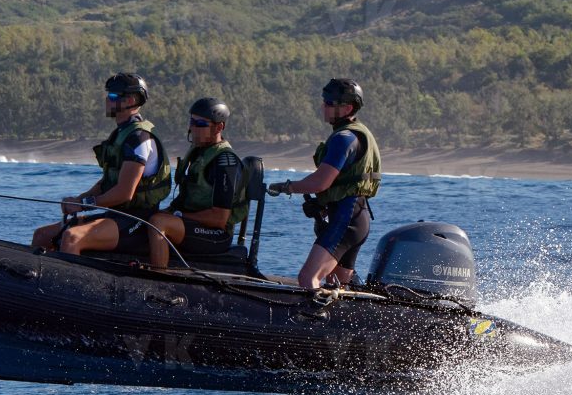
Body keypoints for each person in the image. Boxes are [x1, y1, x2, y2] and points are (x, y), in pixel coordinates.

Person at [31, 73, 171, 256]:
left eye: (112, 96)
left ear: (129, 100)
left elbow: (124, 193)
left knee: (72, 237)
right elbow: (106, 182)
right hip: (115, 216)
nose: (107, 100)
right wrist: (78, 199)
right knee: (42, 235)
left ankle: (69, 282)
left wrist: (84, 205)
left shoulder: (139, 138)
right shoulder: (120, 134)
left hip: (136, 220)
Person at [267, 78, 381, 289]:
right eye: (324, 101)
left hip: (346, 219)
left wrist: (286, 187)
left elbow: (320, 182)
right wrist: (322, 206)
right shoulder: (357, 133)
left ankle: (310, 322)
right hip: (357, 218)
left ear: (347, 107)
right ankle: (344, 322)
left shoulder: (343, 138)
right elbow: (340, 185)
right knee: (337, 287)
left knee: (308, 277)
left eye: (330, 103)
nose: (324, 106)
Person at [148, 97, 246, 269]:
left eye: (200, 123)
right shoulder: (198, 153)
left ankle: (159, 278)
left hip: (216, 234)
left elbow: (219, 218)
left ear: (219, 127)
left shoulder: (225, 162)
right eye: (191, 121)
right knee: (147, 218)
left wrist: (177, 215)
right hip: (192, 224)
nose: (192, 128)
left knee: (159, 223)